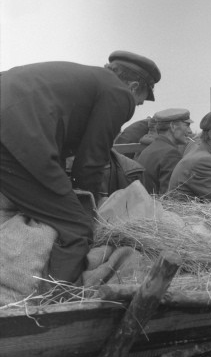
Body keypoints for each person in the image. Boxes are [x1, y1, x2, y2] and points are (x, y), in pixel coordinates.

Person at [0, 50, 161, 283]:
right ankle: (59, 298)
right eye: (143, 96)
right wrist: (87, 207)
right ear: (134, 86)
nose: (141, 103)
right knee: (76, 228)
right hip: (17, 139)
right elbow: (91, 160)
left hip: (15, 133)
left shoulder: (82, 79)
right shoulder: (118, 92)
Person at [136, 108, 194, 194]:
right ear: (173, 126)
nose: (190, 131)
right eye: (187, 125)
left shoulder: (149, 149)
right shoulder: (171, 154)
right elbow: (170, 195)